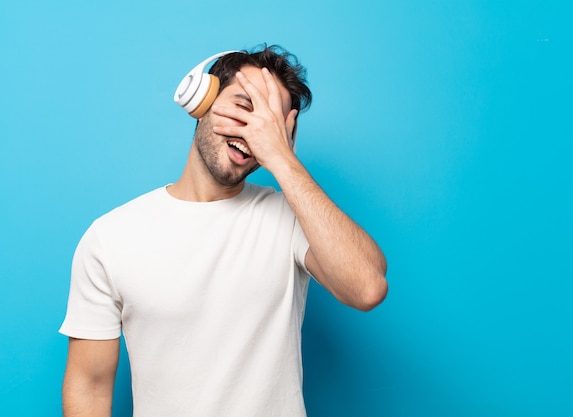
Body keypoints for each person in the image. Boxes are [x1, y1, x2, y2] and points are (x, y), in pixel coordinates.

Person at [59, 45, 388, 417]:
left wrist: (282, 158)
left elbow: (367, 287)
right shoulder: (111, 237)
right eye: (243, 107)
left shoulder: (293, 218)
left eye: (269, 123)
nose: (252, 130)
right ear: (200, 102)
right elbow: (89, 387)